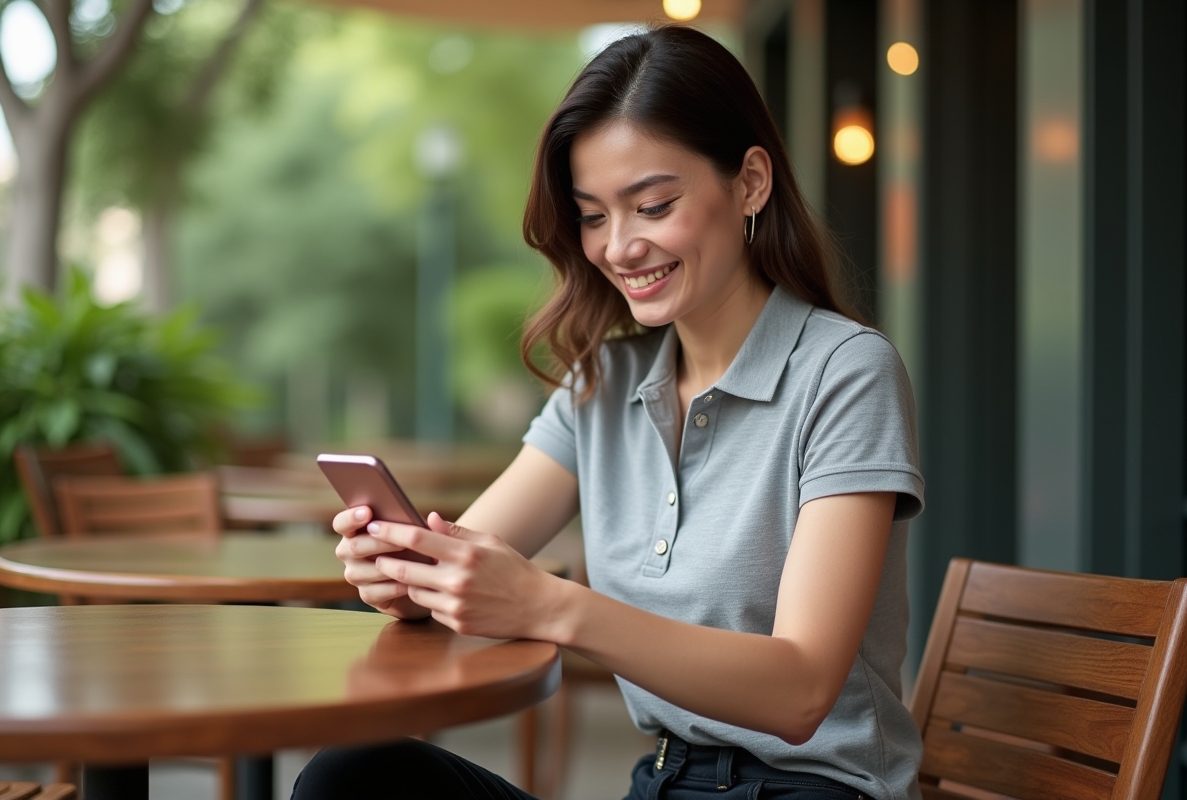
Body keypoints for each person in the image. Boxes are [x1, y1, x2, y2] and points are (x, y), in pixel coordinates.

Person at [293, 24, 924, 800]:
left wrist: (554, 606)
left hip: (811, 791)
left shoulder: (844, 372)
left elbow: (800, 692)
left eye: (652, 205)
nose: (619, 246)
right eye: (593, 216)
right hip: (658, 783)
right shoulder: (601, 382)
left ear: (751, 183)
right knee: (354, 776)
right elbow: (472, 553)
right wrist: (406, 575)